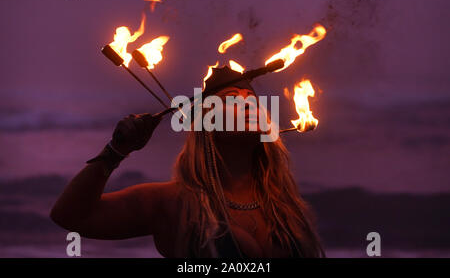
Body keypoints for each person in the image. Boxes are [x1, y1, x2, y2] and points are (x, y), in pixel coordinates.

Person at [50, 66, 325, 258]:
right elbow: (70, 216)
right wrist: (116, 151)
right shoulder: (174, 202)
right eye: (232, 100)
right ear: (208, 124)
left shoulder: (285, 205)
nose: (248, 105)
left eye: (251, 99)